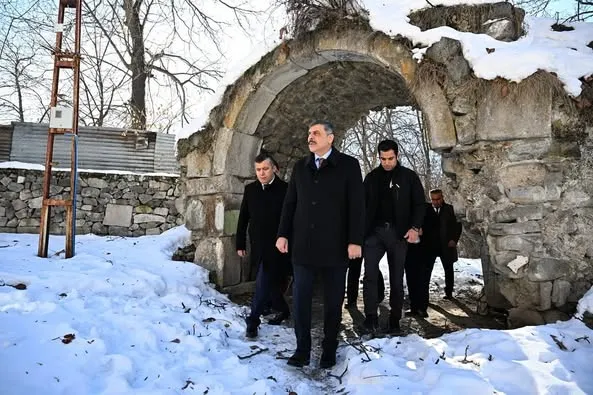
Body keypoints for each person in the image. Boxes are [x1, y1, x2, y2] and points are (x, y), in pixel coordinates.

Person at [276, 120, 364, 369]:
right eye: (308, 134)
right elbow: (290, 204)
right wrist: (282, 234)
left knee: (333, 302)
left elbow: (357, 206)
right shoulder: (300, 167)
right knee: (301, 300)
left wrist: (355, 240)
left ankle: (329, 348)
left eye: (315, 133)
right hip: (303, 246)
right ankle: (302, 349)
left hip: (335, 247)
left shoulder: (348, 165)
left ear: (330, 138)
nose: (310, 137)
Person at [362, 139, 425, 334]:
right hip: (374, 233)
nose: (387, 162)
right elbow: (362, 206)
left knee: (397, 278)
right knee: (369, 275)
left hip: (399, 234)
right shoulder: (371, 178)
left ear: (397, 156)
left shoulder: (409, 177)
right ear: (378, 157)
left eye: (390, 158)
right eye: (383, 159)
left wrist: (415, 227)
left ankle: (395, 319)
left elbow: (420, 204)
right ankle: (371, 317)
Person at [237, 152, 291, 339]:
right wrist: (240, 242)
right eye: (258, 169)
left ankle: (253, 321)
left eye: (265, 169)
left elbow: (292, 217)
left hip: (278, 246)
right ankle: (284, 310)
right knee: (270, 284)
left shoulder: (286, 189)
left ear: (274, 168)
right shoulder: (250, 189)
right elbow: (244, 217)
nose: (262, 173)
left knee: (262, 281)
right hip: (257, 244)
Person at [422, 189, 463, 300]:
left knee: (449, 269)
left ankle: (449, 293)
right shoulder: (426, 209)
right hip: (431, 246)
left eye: (438, 199)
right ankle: (424, 296)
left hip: (446, 245)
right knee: (426, 271)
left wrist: (454, 240)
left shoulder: (450, 209)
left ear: (442, 197)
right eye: (433, 199)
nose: (435, 202)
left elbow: (458, 226)